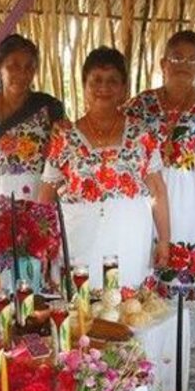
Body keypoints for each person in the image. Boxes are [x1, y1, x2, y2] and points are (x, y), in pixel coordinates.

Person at [125, 30, 195, 346]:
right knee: (145, 268)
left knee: (182, 274)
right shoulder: (141, 104)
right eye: (177, 58)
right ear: (162, 63)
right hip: (147, 198)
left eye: (192, 60)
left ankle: (179, 352)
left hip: (193, 202)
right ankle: (143, 351)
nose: (184, 65)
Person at [38, 47, 171, 291]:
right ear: (84, 86)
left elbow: (158, 190)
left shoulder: (143, 134)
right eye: (96, 80)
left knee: (129, 314)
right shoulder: (64, 136)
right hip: (79, 241)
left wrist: (164, 240)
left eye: (113, 81)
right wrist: (42, 244)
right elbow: (46, 196)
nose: (104, 88)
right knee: (82, 314)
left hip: (129, 240)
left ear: (123, 89)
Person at [0, 34, 64, 223]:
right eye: (13, 66)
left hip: (38, 203)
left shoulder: (48, 110)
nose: (22, 74)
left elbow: (60, 159)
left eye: (29, 67)